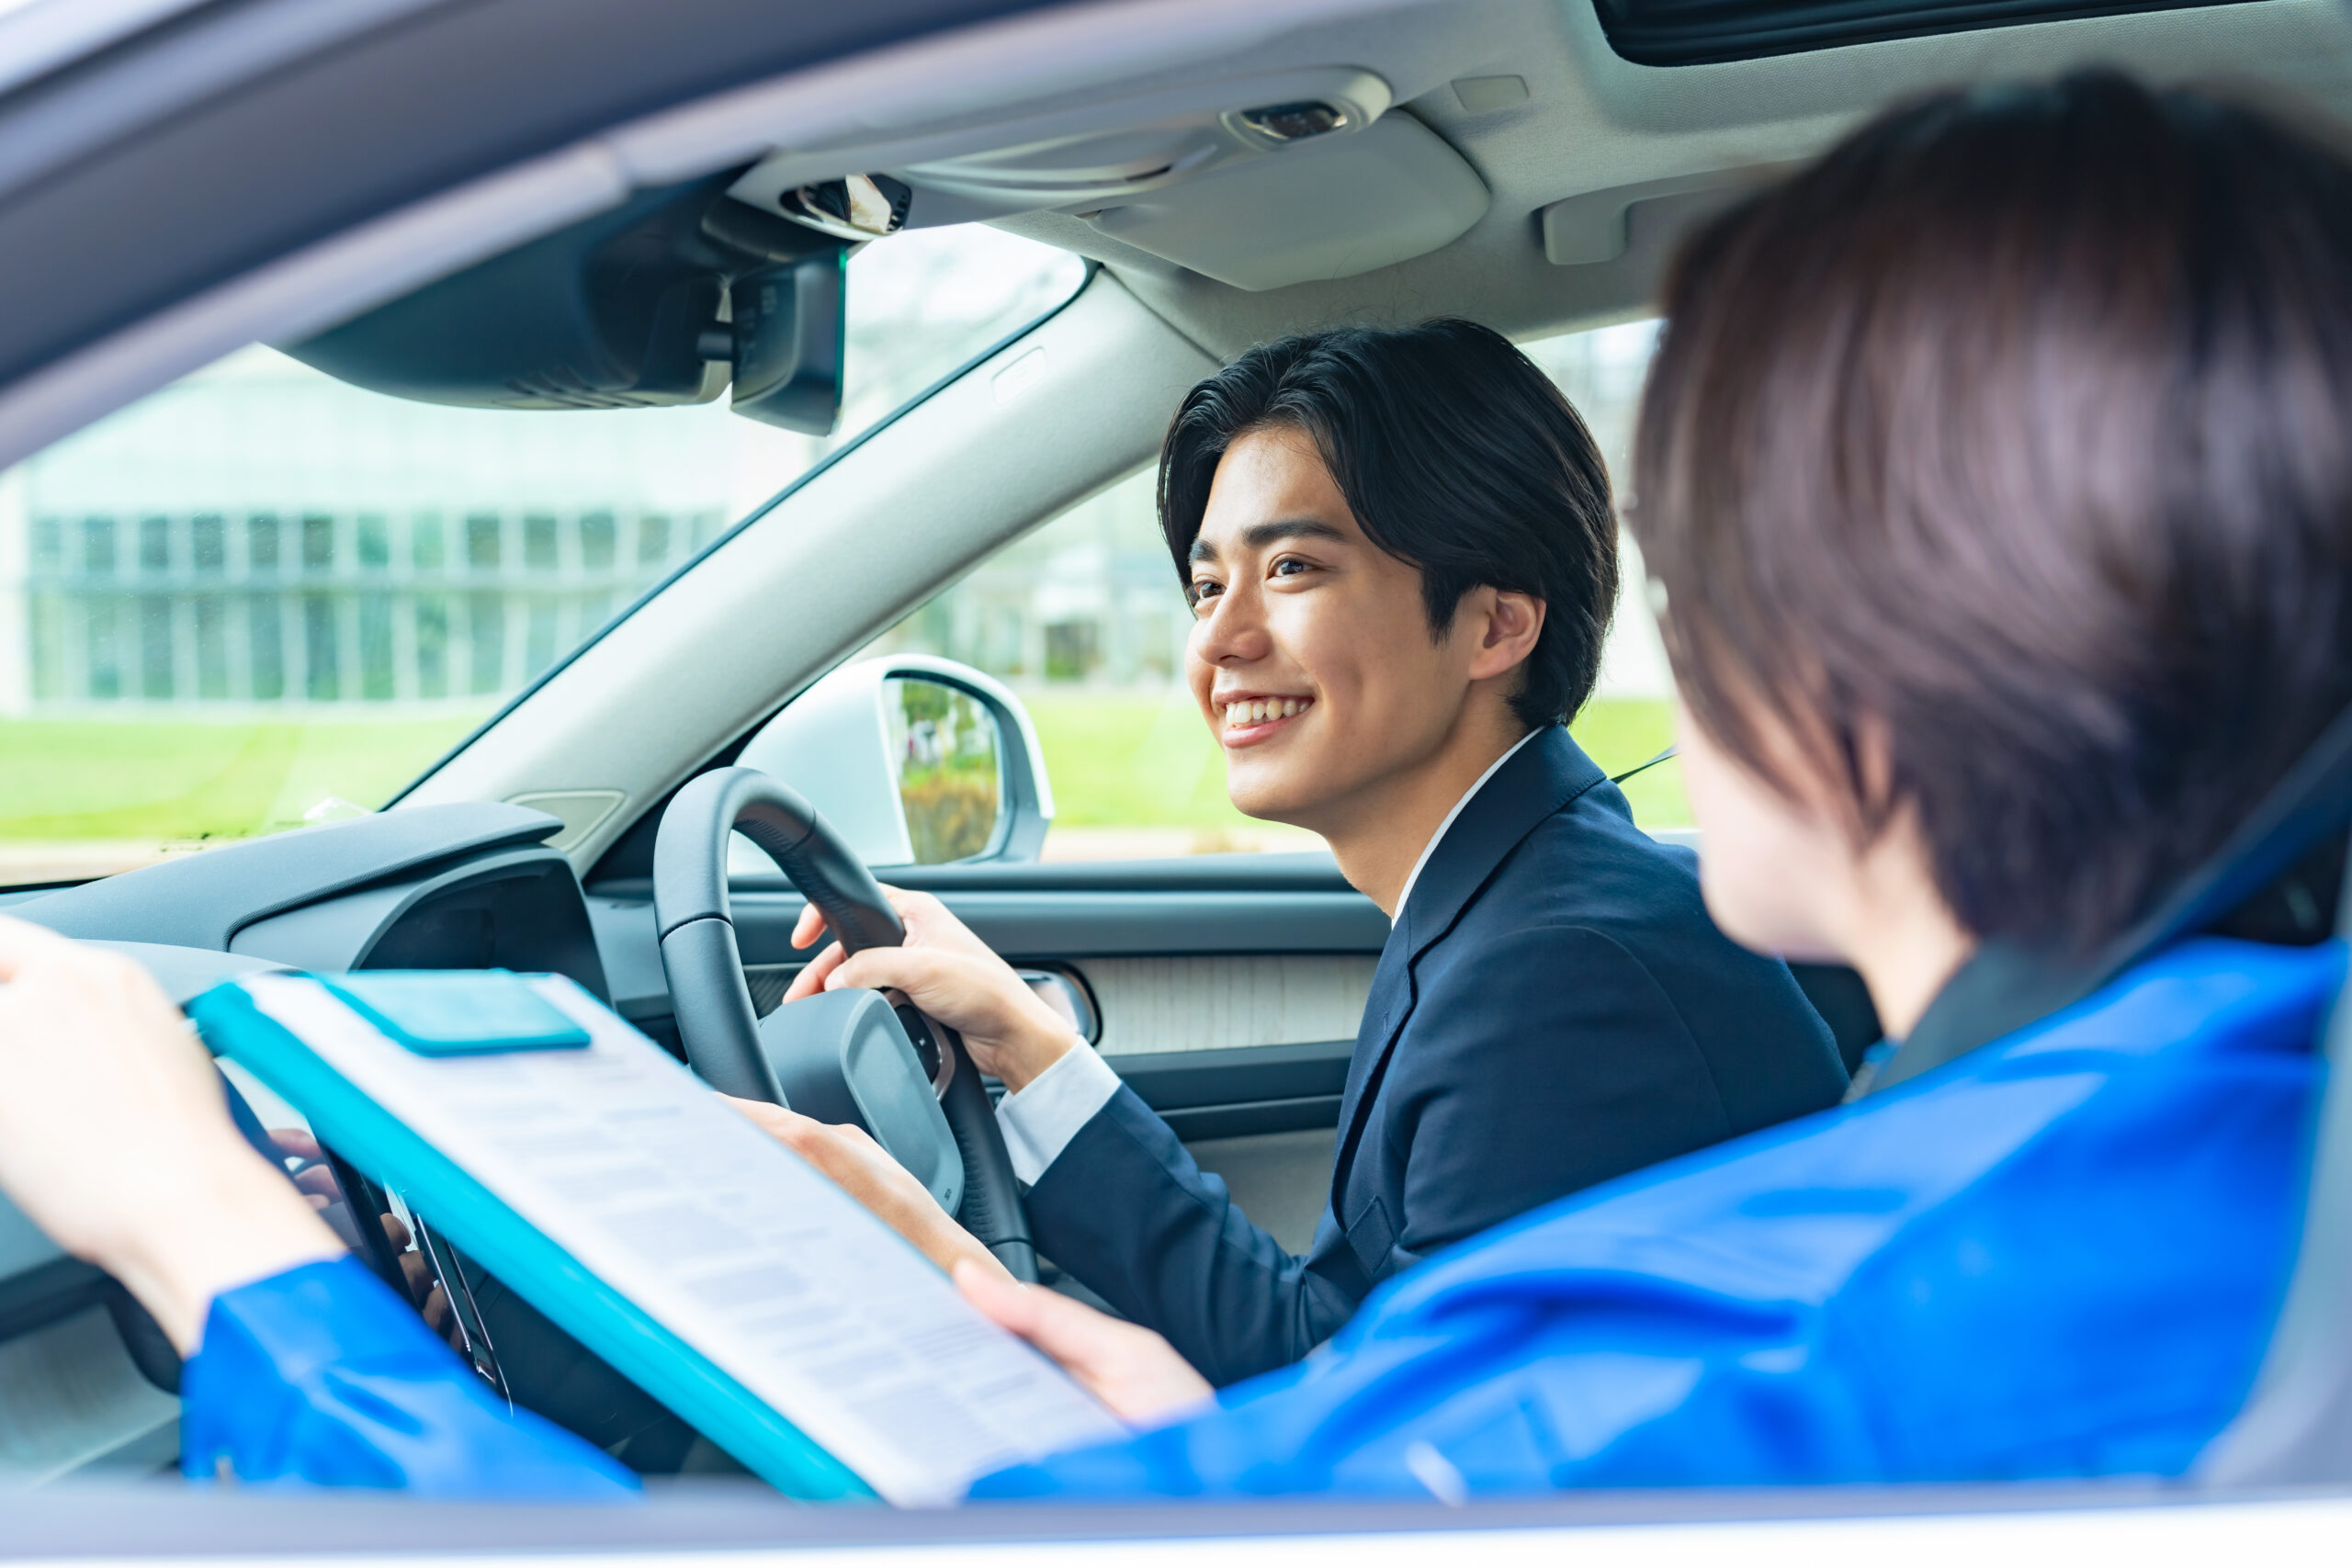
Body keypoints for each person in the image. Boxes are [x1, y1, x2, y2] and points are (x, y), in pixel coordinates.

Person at [0, 67, 2336, 1498]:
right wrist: (1007, 1202)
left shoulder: (1708, 1144)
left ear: (1885, 625)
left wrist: (199, 1235)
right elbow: (1377, 1401)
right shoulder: (2192, 1108)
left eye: (1727, 541)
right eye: (1196, 569)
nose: (1213, 638)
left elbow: (1414, 1424)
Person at [759, 320, 1846, 1387]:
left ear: (1494, 626)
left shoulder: (1564, 971)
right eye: (1205, 585)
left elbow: (1374, 1459)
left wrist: (929, 1259)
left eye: (1289, 568)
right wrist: (1027, 1039)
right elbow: (1327, 1345)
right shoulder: (1509, 903)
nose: (1219, 641)